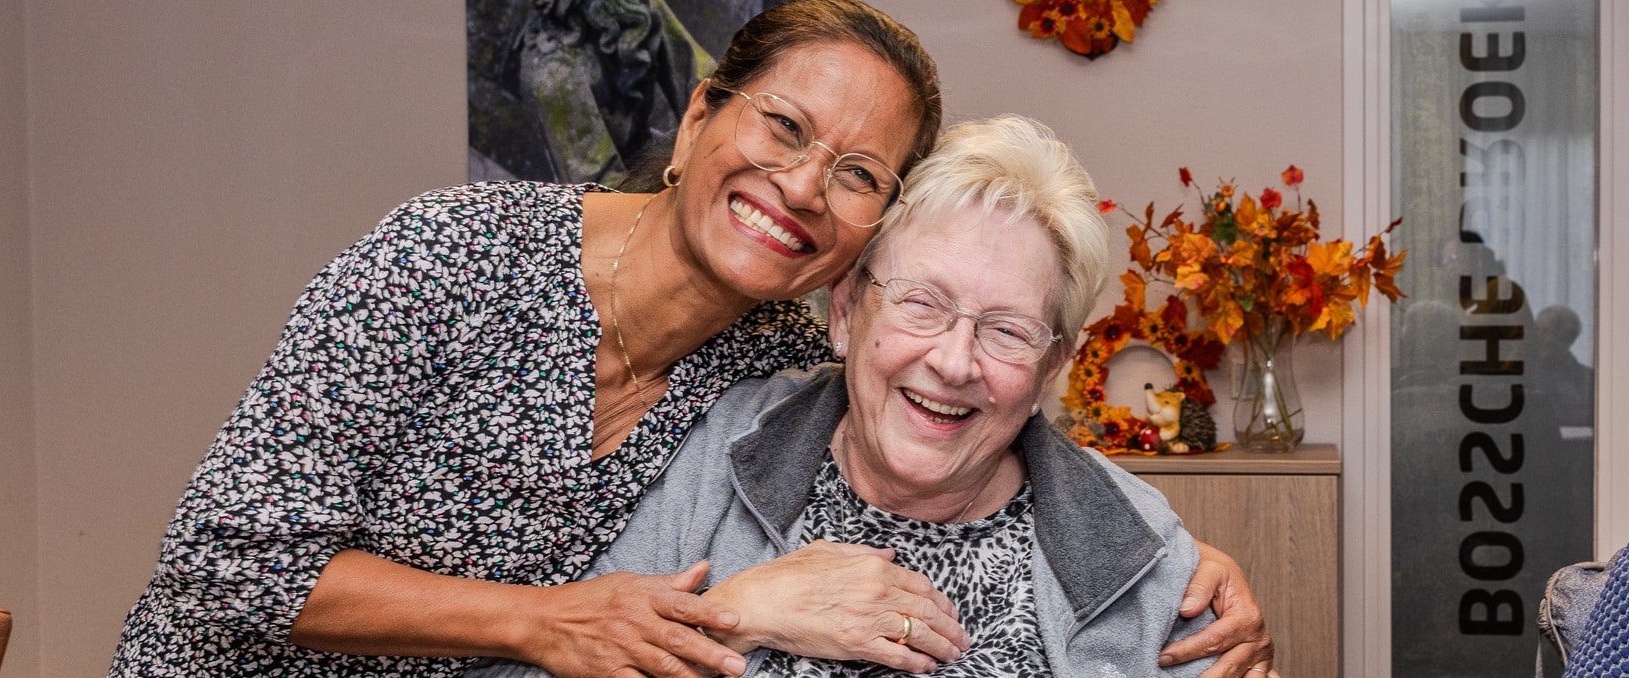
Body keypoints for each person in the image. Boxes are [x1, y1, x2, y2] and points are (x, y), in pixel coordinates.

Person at [111, 2, 1268, 676]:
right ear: (700, 112)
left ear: (856, 258)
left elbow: (955, 397)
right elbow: (223, 563)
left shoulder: (769, 369)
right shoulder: (451, 254)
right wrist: (552, 621)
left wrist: (1171, 565)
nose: (802, 185)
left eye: (857, 173)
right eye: (784, 126)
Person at [468, 116, 1272, 677]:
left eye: (1007, 331)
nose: (953, 362)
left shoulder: (1141, 554)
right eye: (921, 303)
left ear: (1052, 366)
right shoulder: (711, 454)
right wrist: (733, 615)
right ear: (848, 311)